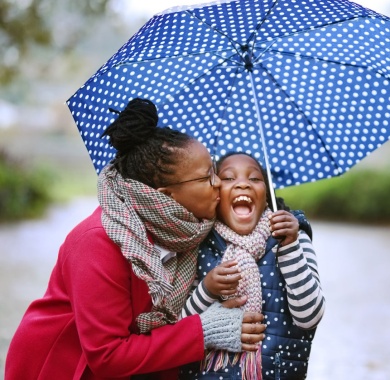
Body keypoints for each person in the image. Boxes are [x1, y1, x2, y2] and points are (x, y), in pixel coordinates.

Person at [5, 99, 265, 380]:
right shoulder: (97, 243)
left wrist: (288, 223)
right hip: (65, 367)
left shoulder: (188, 228)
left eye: (215, 171)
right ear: (166, 197)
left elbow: (252, 216)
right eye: (206, 177)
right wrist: (204, 331)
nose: (218, 184)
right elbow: (108, 355)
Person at [179, 152, 326, 380]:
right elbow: (180, 330)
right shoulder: (198, 243)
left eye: (255, 179)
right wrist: (206, 290)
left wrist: (290, 247)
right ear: (216, 195)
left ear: (267, 196)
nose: (243, 184)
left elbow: (310, 317)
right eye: (228, 178)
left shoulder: (294, 238)